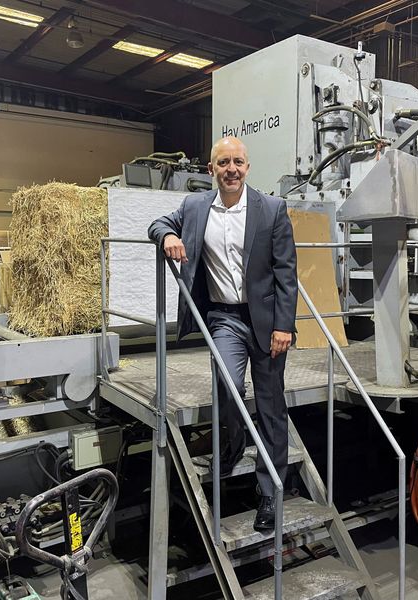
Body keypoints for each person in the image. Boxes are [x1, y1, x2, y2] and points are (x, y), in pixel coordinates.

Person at [148, 136, 298, 531]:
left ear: (248, 168)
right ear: (212, 169)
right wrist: (168, 236)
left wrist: (285, 325)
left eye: (238, 162)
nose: (231, 169)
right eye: (223, 163)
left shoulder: (272, 209)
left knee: (270, 406)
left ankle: (270, 494)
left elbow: (286, 273)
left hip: (266, 323)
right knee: (228, 384)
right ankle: (231, 448)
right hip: (224, 318)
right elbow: (159, 222)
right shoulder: (195, 206)